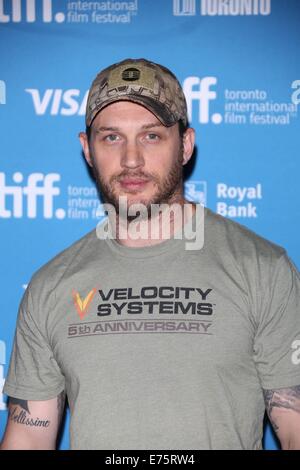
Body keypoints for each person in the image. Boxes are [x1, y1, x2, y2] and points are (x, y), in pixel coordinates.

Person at [1, 58, 300, 451]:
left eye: (152, 136)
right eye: (111, 137)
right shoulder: (50, 286)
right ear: (86, 149)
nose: (131, 159)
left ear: (186, 145)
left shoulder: (262, 269)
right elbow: (29, 436)